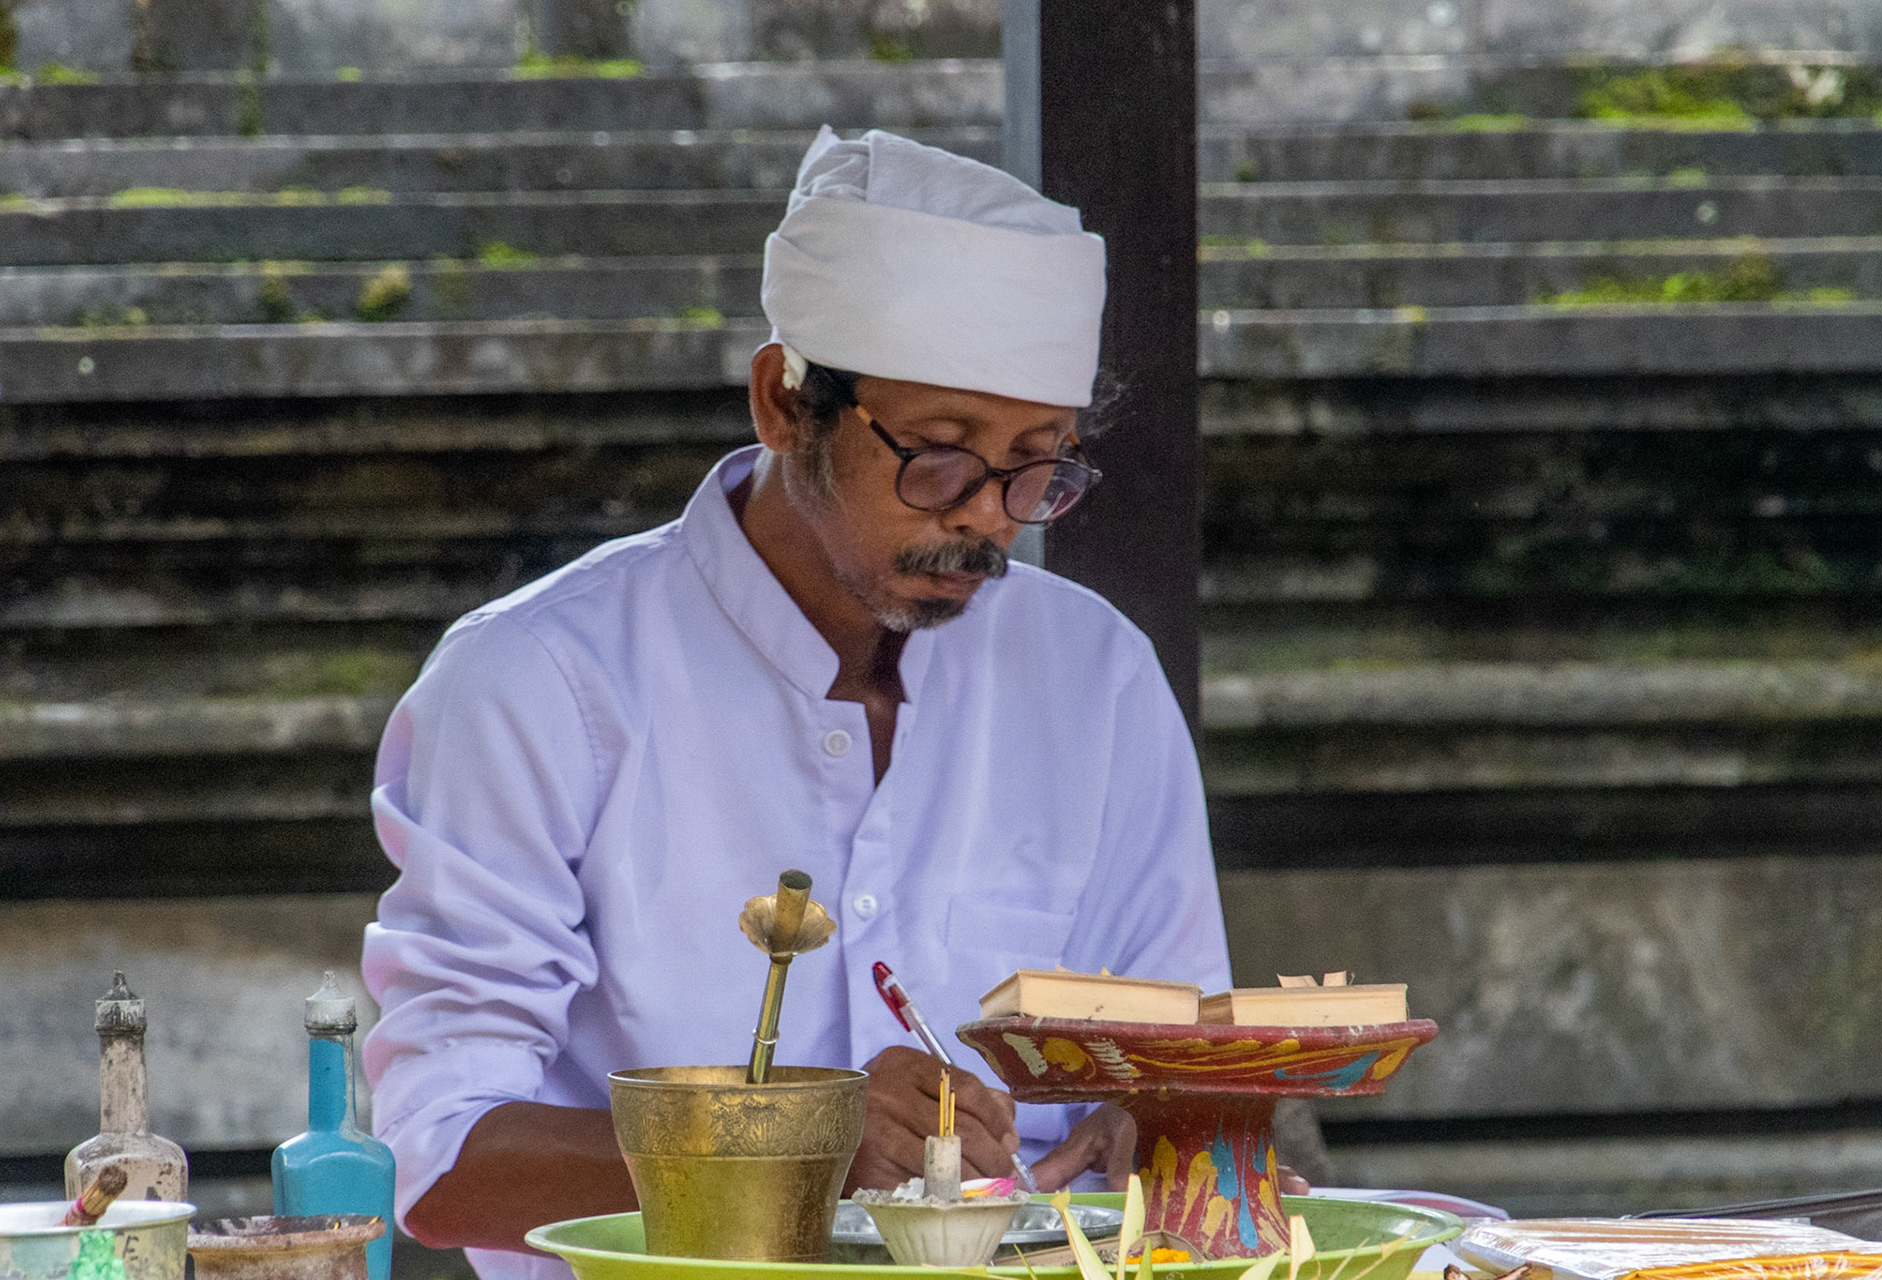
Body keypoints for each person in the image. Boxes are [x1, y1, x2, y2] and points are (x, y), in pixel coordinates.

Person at [360, 126, 1299, 1280]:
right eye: (941, 457)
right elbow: (446, 1161)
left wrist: (1170, 1130)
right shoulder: (540, 683)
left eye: (1036, 464)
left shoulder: (1092, 680)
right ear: (782, 401)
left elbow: (1183, 1067)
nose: (987, 519)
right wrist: (793, 1148)